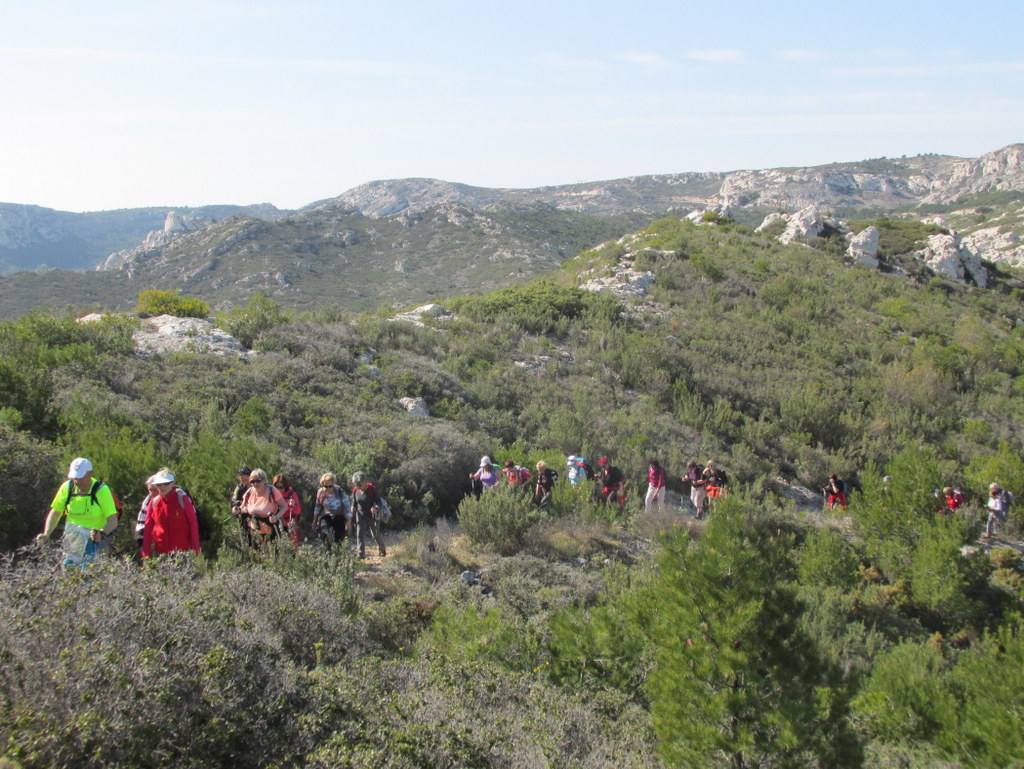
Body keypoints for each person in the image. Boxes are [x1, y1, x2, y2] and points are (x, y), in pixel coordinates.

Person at [36, 457, 119, 570]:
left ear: (90, 474)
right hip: (72, 539)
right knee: (69, 570)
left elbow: (112, 520)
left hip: (94, 540)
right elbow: (56, 513)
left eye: (81, 477)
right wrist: (46, 533)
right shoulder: (67, 488)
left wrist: (101, 533)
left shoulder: (101, 490)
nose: (77, 481)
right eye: (75, 477)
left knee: (91, 574)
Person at [141, 469, 200, 557]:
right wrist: (145, 552)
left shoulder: (182, 500)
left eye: (166, 483)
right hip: (161, 553)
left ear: (172, 483)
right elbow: (148, 527)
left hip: (182, 552)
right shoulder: (154, 502)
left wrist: (195, 548)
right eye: (159, 484)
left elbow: (193, 524)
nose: (162, 487)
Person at [240, 468, 287, 550]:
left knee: (274, 556)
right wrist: (237, 509)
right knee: (256, 557)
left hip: (271, 531)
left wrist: (276, 517)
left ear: (264, 480)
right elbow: (243, 508)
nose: (255, 483)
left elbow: (284, 506)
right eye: (252, 481)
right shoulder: (249, 492)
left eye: (258, 481)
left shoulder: (272, 490)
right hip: (255, 531)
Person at [351, 472, 386, 559]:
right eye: (356, 485)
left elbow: (379, 502)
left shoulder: (372, 489)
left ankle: (382, 549)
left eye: (359, 484)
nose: (358, 486)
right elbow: (354, 502)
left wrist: (375, 507)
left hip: (372, 516)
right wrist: (353, 507)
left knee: (375, 534)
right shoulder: (355, 490)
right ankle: (360, 554)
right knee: (360, 534)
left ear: (364, 482)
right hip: (360, 515)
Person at [312, 472, 352, 550]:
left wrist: (348, 521)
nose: (327, 488)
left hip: (339, 515)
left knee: (339, 537)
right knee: (325, 533)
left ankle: (339, 554)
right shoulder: (320, 492)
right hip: (326, 515)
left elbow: (347, 507)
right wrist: (315, 520)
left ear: (333, 484)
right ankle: (328, 552)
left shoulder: (340, 492)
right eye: (325, 486)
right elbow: (318, 506)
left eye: (330, 486)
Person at [273, 474, 303, 548]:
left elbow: (298, 511)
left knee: (293, 545)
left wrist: (293, 505)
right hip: (276, 522)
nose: (279, 490)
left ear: (285, 486)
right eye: (277, 487)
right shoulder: (271, 494)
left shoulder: (291, 494)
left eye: (281, 487)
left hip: (289, 523)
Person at [230, 466, 254, 548]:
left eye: (246, 480)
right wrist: (236, 506)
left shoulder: (256, 485)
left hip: (256, 514)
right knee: (246, 534)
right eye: (242, 480)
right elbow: (234, 500)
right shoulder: (240, 487)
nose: (244, 482)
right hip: (243, 514)